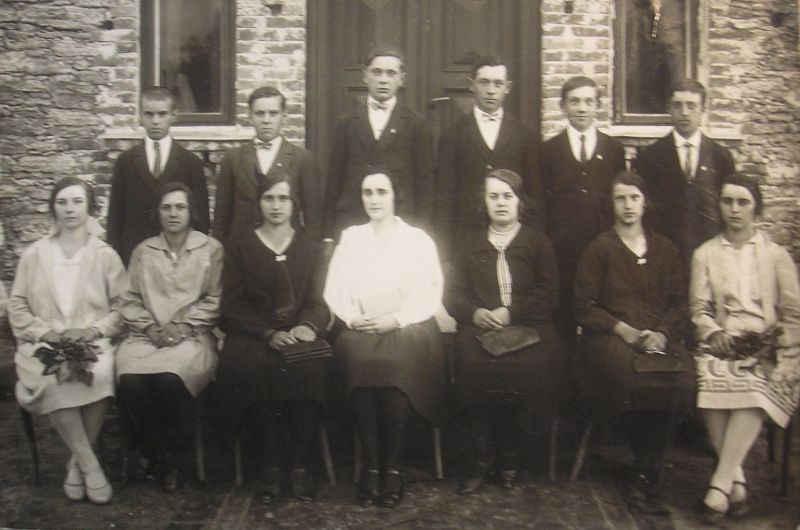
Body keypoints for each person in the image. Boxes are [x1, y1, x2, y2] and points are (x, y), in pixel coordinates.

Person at [574, 172, 695, 514]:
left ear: (645, 203)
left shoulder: (665, 249)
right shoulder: (600, 249)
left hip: (658, 336)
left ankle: (644, 469)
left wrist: (663, 332)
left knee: (681, 379)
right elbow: (583, 307)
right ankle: (646, 473)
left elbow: (679, 304)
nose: (628, 206)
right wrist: (621, 329)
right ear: (611, 204)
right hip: (611, 339)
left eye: (634, 198)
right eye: (620, 198)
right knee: (629, 379)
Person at [324, 172, 445, 508]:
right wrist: (351, 316)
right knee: (360, 359)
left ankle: (392, 467)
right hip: (362, 326)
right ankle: (371, 465)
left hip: (409, 325)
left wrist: (397, 319)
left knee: (395, 364)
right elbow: (335, 288)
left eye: (381, 192)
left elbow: (430, 290)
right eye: (367, 193)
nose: (374, 199)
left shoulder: (417, 240)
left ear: (395, 196)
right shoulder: (351, 238)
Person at [444, 169, 567, 494]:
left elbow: (549, 293)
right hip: (481, 327)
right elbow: (453, 293)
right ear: (484, 202)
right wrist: (476, 312)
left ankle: (512, 455)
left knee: (528, 367)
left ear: (520, 201)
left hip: (530, 326)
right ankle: (481, 457)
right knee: (472, 364)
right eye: (493, 196)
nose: (501, 203)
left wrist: (511, 312)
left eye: (507, 196)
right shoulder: (470, 243)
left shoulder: (538, 242)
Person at [214, 175, 331, 504]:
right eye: (269, 199)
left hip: (297, 336)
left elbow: (319, 302)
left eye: (283, 199)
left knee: (311, 371)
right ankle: (270, 467)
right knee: (251, 369)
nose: (276, 206)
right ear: (259, 203)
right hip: (253, 334)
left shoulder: (310, 248)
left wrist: (307, 326)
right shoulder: (239, 246)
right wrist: (267, 333)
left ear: (295, 205)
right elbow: (232, 305)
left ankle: (299, 466)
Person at [691, 173, 800, 522]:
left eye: (743, 202)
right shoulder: (705, 254)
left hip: (767, 343)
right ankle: (735, 482)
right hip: (724, 341)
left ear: (757, 209)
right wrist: (713, 332)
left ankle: (721, 482)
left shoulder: (776, 256)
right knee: (709, 374)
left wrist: (780, 340)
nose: (734, 209)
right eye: (727, 201)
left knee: (756, 382)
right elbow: (699, 309)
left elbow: (794, 313)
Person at [10, 177, 126, 504]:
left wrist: (94, 331)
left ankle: (76, 464)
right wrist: (42, 332)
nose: (70, 209)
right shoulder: (35, 254)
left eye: (77, 201)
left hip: (91, 341)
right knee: (52, 379)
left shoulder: (104, 254)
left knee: (100, 374)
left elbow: (123, 306)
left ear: (90, 207)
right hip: (43, 343)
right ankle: (90, 466)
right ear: (53, 208)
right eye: (62, 202)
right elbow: (17, 304)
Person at [115, 182, 223, 492]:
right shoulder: (144, 251)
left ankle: (173, 457)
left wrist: (183, 326)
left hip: (193, 336)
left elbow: (215, 299)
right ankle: (157, 452)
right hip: (146, 336)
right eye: (166, 207)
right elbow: (129, 299)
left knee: (169, 380)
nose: (173, 213)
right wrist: (150, 327)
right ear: (157, 213)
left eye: (180, 207)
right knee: (130, 381)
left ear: (191, 212)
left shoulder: (210, 249)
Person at [541, 76, 626, 345]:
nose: (581, 108)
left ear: (597, 105)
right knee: (563, 322)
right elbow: (542, 203)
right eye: (574, 101)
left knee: (601, 322)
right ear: (562, 106)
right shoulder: (548, 150)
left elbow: (620, 200)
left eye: (589, 101)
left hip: (602, 250)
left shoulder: (613, 149)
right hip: (562, 253)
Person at [434, 55, 542, 260]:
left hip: (512, 240)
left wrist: (531, 243)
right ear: (471, 85)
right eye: (484, 82)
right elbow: (443, 199)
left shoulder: (524, 136)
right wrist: (444, 251)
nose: (491, 90)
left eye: (498, 84)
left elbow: (533, 196)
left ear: (507, 88)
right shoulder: (453, 135)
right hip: (466, 240)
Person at [322, 45, 434, 239]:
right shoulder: (347, 123)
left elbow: (425, 185)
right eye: (377, 72)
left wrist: (421, 231)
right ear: (365, 76)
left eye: (391, 73)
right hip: (354, 220)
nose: (383, 80)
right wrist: (328, 234)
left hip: (400, 223)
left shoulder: (416, 124)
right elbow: (334, 181)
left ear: (401, 79)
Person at [634, 78, 736, 265]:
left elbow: (730, 208)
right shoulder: (650, 157)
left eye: (691, 106)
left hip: (711, 255)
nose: (684, 112)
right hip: (664, 257)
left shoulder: (720, 157)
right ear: (669, 109)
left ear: (703, 110)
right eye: (678, 105)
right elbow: (643, 212)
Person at [107, 86, 210, 266]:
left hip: (178, 257)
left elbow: (200, 217)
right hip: (134, 254)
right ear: (140, 116)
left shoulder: (190, 162)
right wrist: (117, 258)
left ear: (173, 116)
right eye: (149, 114)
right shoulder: (126, 161)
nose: (155, 121)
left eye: (162, 114)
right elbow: (115, 217)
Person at [213, 86, 323, 245]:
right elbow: (222, 215)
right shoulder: (233, 158)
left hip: (286, 249)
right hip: (242, 249)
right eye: (259, 113)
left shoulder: (303, 159)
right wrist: (220, 251)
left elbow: (313, 217)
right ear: (250, 117)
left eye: (273, 113)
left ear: (284, 117)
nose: (266, 120)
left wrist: (311, 254)